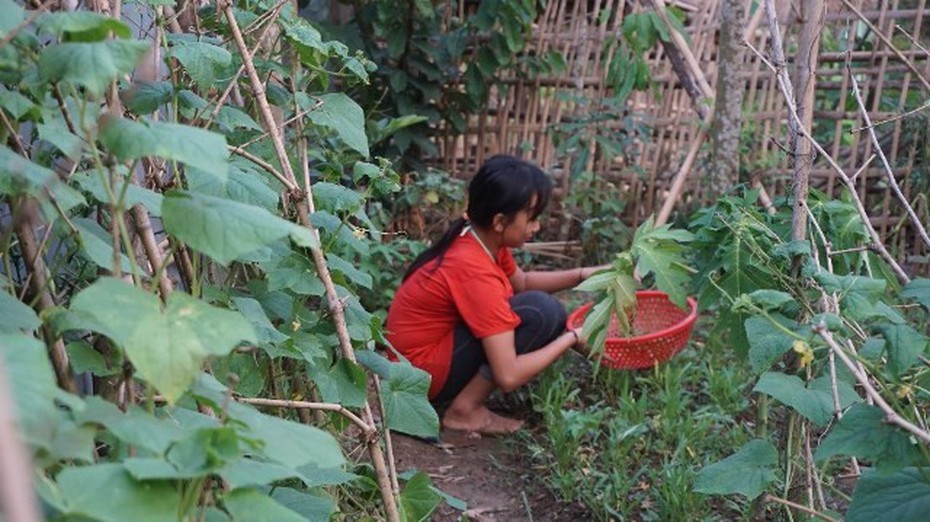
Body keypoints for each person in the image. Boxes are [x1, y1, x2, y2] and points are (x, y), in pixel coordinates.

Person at [385, 155, 606, 435]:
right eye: (532, 218)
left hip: (417, 363)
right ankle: (464, 411)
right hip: (417, 379)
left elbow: (523, 282)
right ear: (500, 221)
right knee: (542, 312)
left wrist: (586, 275)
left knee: (539, 308)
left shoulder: (479, 237)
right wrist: (572, 337)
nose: (536, 227)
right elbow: (508, 374)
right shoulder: (473, 269)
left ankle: (465, 402)